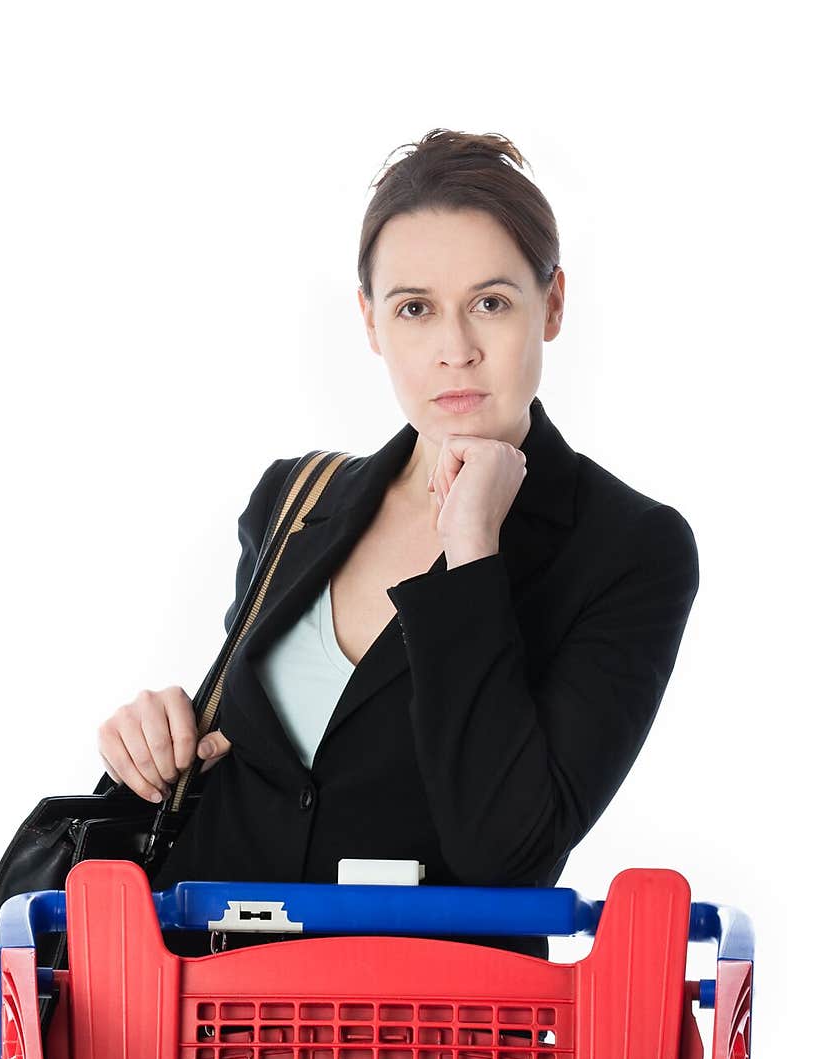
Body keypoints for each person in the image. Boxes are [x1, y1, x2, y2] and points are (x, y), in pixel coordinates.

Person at [98, 128, 699, 959]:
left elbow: (507, 854)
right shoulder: (295, 500)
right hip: (205, 1038)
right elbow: (254, 764)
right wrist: (154, 736)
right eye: (414, 308)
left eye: (492, 302)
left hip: (424, 1056)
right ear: (372, 323)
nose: (455, 348)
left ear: (552, 304)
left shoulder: (629, 549)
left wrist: (473, 551)